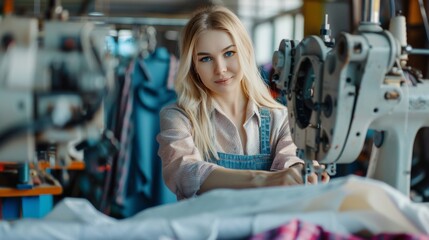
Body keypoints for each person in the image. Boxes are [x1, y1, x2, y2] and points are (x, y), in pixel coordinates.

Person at [157, 5, 329, 200]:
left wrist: (299, 172)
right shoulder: (179, 117)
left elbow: (289, 164)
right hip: (206, 229)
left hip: (265, 228)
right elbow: (184, 173)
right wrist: (264, 180)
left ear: (245, 52)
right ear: (193, 66)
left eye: (229, 53)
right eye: (205, 59)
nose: (220, 69)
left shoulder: (280, 117)